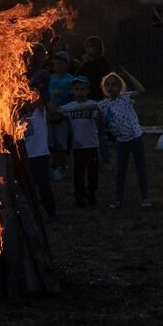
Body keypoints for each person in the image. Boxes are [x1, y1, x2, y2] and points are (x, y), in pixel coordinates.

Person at [97, 68, 150, 208]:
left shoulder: (126, 97)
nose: (110, 87)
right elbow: (87, 106)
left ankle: (145, 198)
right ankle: (118, 200)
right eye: (107, 84)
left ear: (120, 86)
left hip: (136, 138)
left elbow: (141, 90)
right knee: (121, 171)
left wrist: (128, 75)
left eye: (114, 84)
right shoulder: (104, 104)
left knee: (141, 168)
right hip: (121, 142)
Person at [57, 76, 100, 208]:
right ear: (73, 91)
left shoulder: (93, 105)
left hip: (91, 144)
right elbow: (56, 111)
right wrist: (54, 96)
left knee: (92, 173)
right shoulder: (70, 106)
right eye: (77, 89)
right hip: (78, 146)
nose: (80, 92)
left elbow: (98, 117)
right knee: (78, 173)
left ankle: (91, 193)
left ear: (88, 90)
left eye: (82, 89)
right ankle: (80, 197)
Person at [75, 36, 111, 168]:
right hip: (87, 99)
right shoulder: (86, 64)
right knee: (88, 131)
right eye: (87, 46)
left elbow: (101, 78)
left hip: (100, 99)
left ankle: (105, 160)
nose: (88, 49)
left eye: (90, 46)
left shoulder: (102, 63)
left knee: (100, 132)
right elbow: (78, 77)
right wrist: (84, 63)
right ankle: (92, 159)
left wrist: (87, 63)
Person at [22, 95, 57, 222]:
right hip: (25, 157)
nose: (28, 103)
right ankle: (32, 213)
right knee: (28, 186)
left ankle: (51, 212)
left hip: (40, 155)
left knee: (43, 185)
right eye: (25, 101)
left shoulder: (39, 112)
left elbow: (40, 99)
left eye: (30, 100)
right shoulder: (17, 117)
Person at [47, 52, 75, 181]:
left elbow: (73, 97)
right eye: (56, 63)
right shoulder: (51, 78)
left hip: (63, 115)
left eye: (61, 63)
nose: (58, 66)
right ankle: (54, 165)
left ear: (66, 64)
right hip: (51, 114)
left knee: (61, 142)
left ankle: (63, 166)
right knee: (51, 141)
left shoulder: (70, 80)